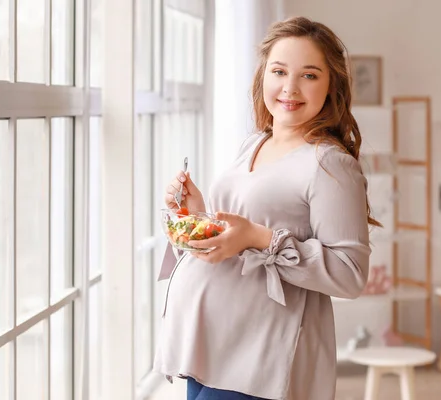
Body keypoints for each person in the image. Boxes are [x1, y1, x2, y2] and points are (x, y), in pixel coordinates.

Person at [154, 16, 380, 400]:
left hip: (259, 356)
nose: (290, 87)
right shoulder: (255, 143)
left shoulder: (330, 164)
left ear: (331, 85)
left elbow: (350, 274)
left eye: (309, 75)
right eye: (279, 71)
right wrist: (197, 216)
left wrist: (260, 239)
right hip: (210, 344)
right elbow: (238, 229)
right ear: (263, 77)